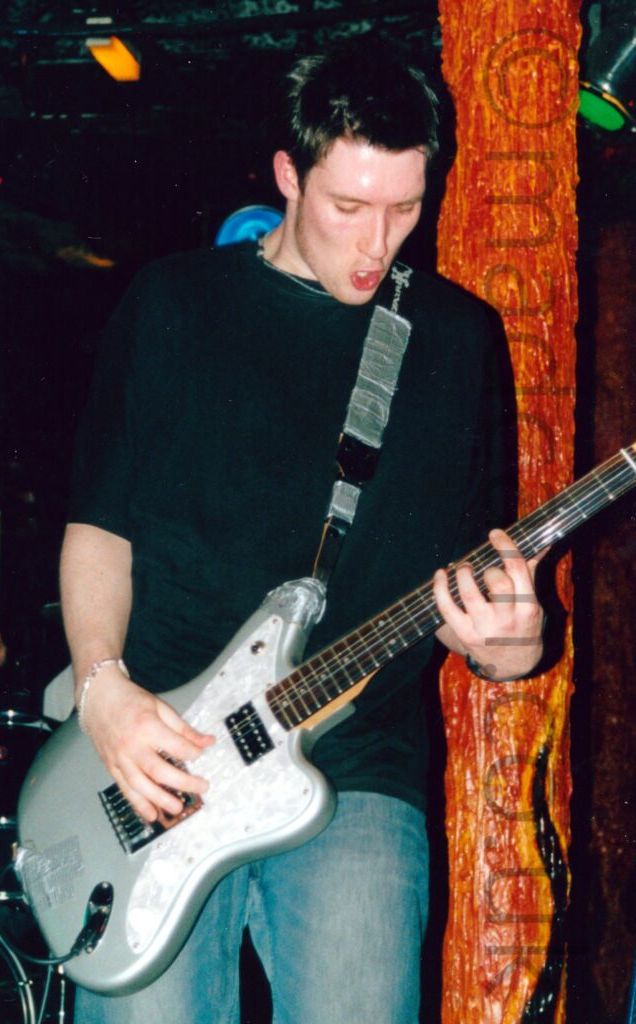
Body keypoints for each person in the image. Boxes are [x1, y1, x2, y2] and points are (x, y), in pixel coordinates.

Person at [61, 38, 545, 1024]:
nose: (378, 245)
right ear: (288, 175)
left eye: (406, 210)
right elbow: (99, 528)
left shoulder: (458, 342)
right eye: (348, 208)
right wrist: (105, 692)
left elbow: (484, 601)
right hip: (155, 755)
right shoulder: (171, 304)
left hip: (353, 766)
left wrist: (514, 642)